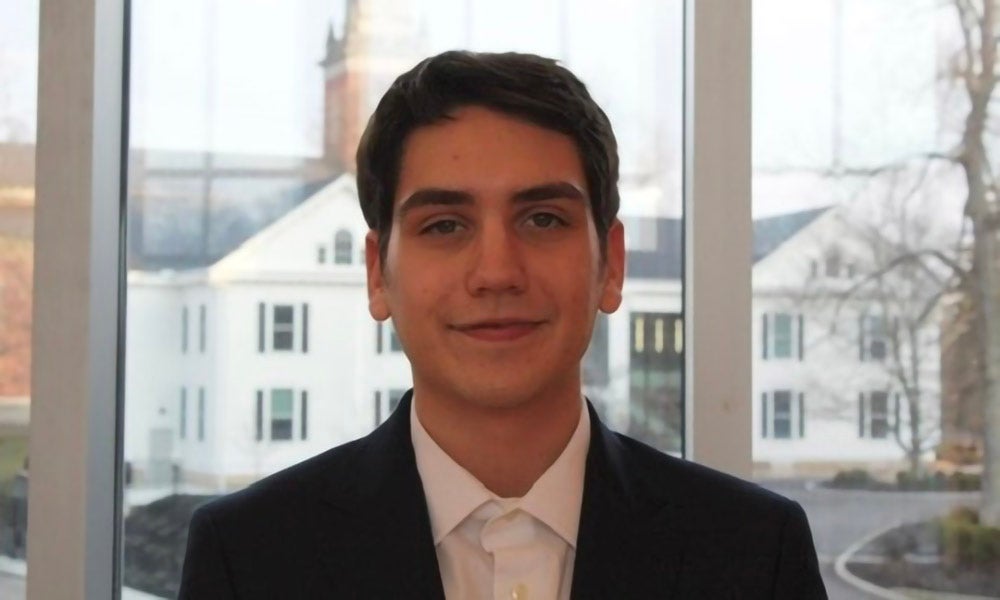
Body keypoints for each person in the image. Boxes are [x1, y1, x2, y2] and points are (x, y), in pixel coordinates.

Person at [178, 50, 828, 599]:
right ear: (378, 274)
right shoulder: (249, 560)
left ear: (612, 265)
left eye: (543, 219)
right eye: (445, 226)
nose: (496, 271)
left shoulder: (753, 554)